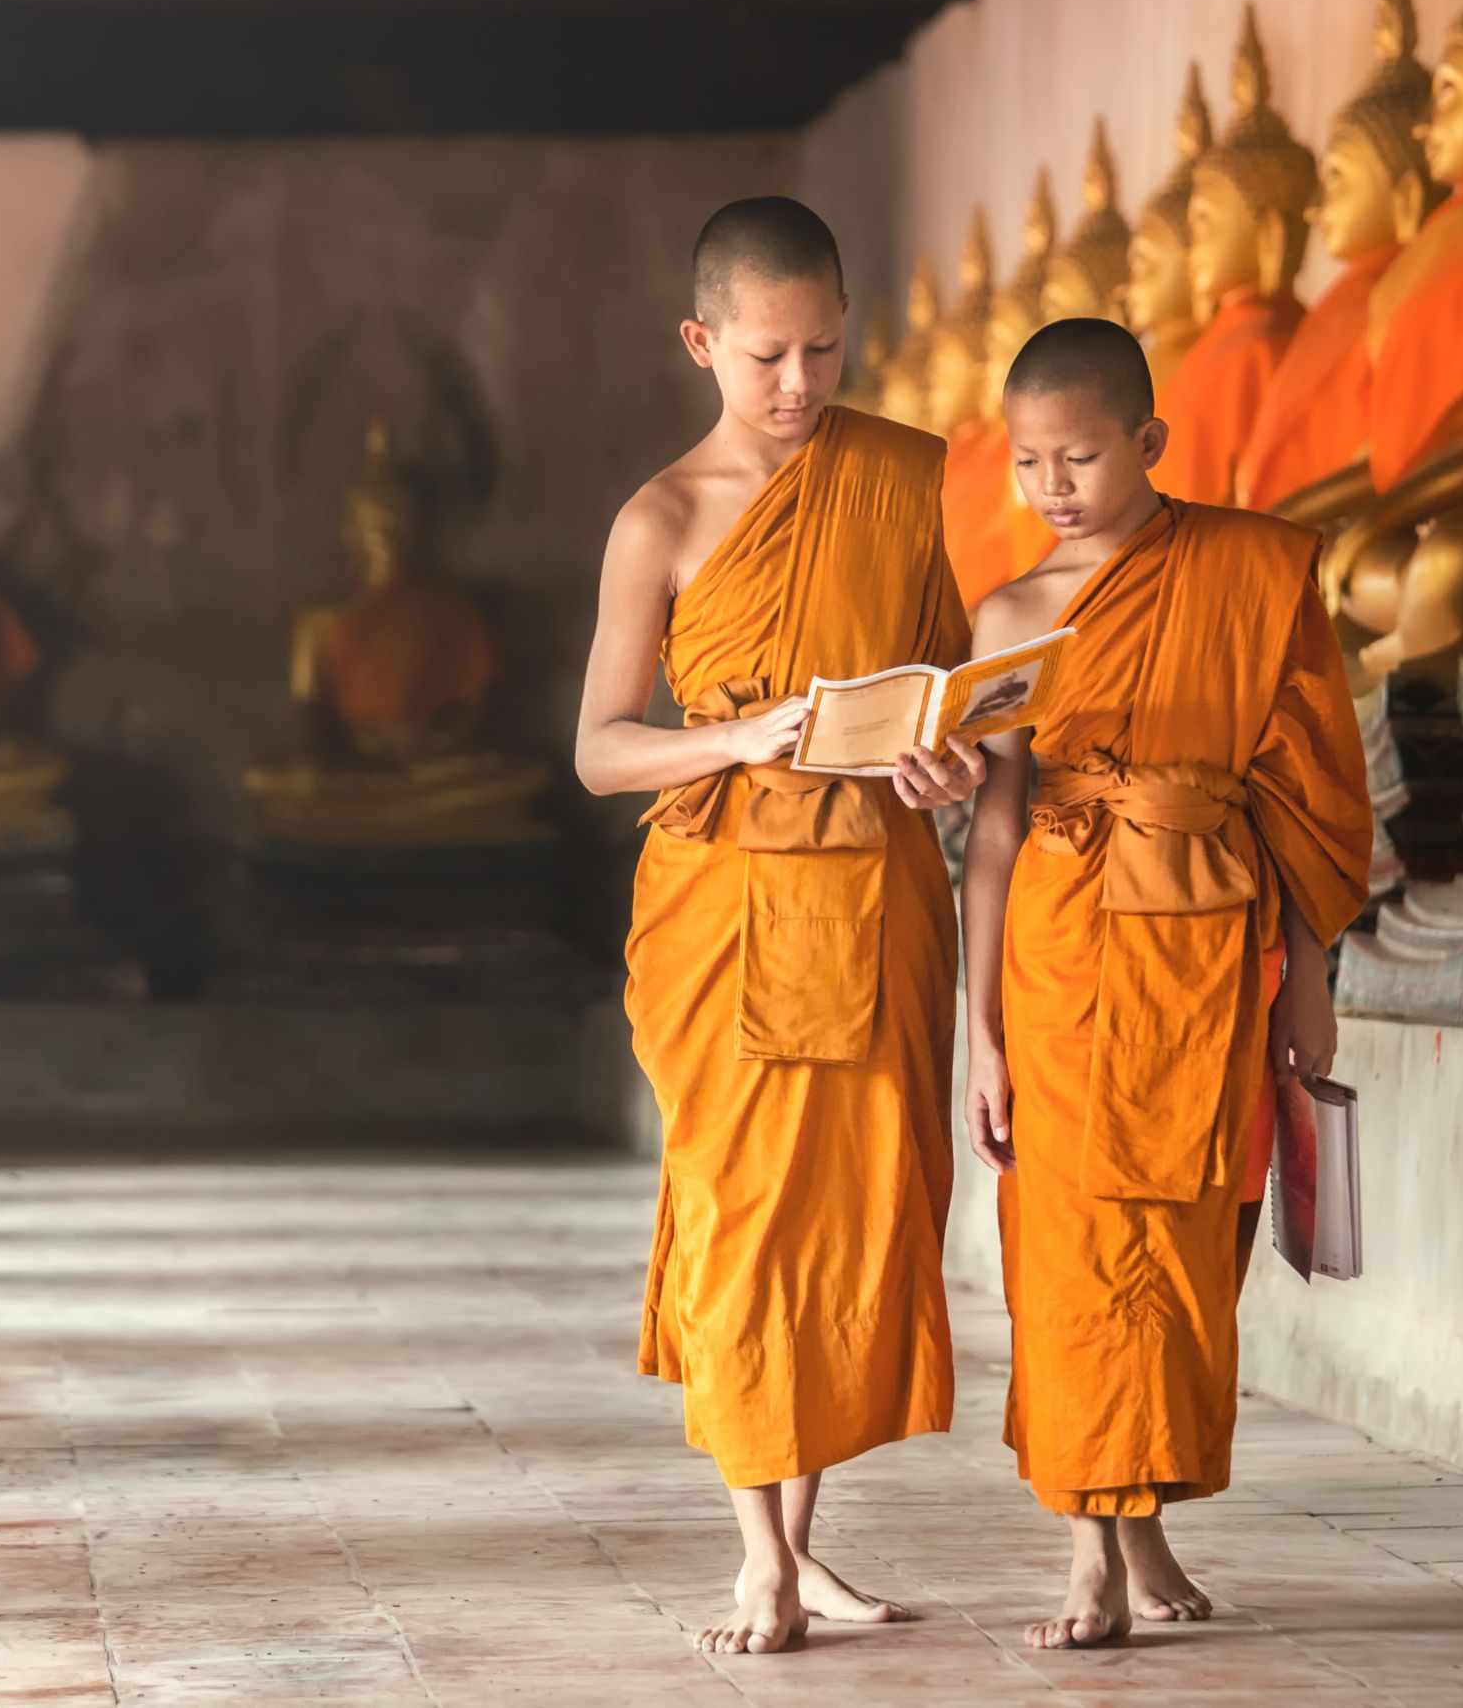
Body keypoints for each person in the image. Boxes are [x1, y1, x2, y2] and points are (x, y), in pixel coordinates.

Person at [574, 197, 984, 1657]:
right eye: (765, 357)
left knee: (850, 1223)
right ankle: (757, 1557)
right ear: (702, 343)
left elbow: (966, 696)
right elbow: (604, 749)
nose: (800, 386)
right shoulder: (663, 519)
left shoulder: (914, 481)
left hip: (876, 892)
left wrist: (953, 763)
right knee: (749, 1225)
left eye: (822, 349)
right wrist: (740, 741)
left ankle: (802, 1552)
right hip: (732, 905)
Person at [959, 318, 1371, 1647]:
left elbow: (1308, 801)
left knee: (1193, 1243)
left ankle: (1141, 1520)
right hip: (1064, 956)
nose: (1053, 488)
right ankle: (1090, 1552)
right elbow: (993, 833)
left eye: (1079, 455)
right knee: (1076, 1251)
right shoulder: (1011, 617)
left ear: (1149, 441)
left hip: (1213, 947)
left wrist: (1312, 982)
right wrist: (980, 1035)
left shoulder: (1251, 572)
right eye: (1029, 463)